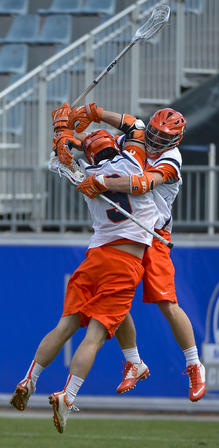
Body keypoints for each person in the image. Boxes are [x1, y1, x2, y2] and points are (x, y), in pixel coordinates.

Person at [10, 104, 161, 434]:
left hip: (94, 258)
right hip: (124, 260)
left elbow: (61, 153)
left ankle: (29, 379)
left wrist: (62, 131)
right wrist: (94, 112)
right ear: (114, 144)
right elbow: (136, 125)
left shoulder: (83, 173)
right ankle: (68, 394)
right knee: (95, 333)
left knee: (65, 325)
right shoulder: (133, 159)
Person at [67, 102, 206, 402]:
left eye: (162, 137)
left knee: (166, 303)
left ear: (175, 140)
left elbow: (143, 184)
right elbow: (129, 126)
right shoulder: (140, 138)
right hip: (127, 232)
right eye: (153, 134)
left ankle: (195, 365)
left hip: (154, 233)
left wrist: (101, 181)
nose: (154, 141)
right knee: (114, 297)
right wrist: (77, 126)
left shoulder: (171, 158)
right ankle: (134, 361)